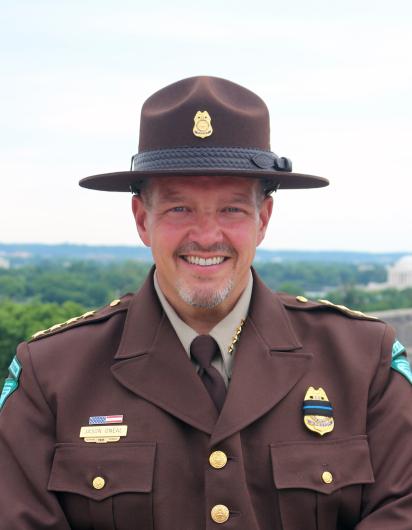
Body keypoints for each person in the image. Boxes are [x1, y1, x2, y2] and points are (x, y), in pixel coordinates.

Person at [0, 76, 411, 530]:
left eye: (232, 209)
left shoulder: (362, 362)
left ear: (263, 220)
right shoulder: (52, 375)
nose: (206, 236)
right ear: (142, 219)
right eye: (180, 209)